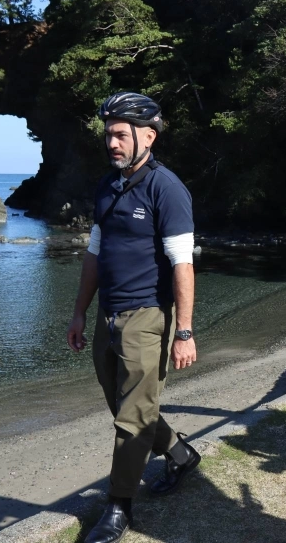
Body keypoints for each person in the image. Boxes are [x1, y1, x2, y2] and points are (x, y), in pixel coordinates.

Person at [66, 92, 201, 543]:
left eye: (121, 134)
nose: (112, 142)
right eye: (108, 134)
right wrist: (80, 313)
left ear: (149, 136)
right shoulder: (108, 185)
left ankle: (118, 507)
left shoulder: (167, 189)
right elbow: (94, 252)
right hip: (107, 317)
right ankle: (180, 454)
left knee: (131, 418)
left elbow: (182, 264)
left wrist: (183, 331)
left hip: (147, 316)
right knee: (126, 407)